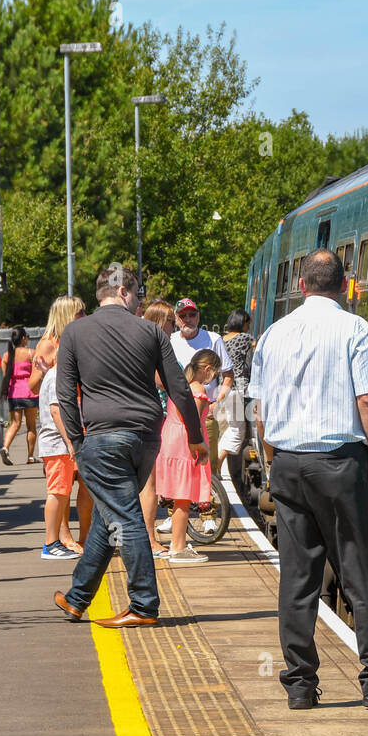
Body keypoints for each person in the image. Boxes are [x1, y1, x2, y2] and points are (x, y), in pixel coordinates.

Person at [248, 248, 368, 710]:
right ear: (344, 285)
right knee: (362, 574)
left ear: (303, 285)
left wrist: (273, 464)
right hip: (339, 464)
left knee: (297, 577)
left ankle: (300, 686)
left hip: (288, 463)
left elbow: (261, 411)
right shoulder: (354, 329)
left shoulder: (273, 334)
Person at [53, 265, 206, 628]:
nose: (139, 302)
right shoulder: (152, 332)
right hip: (145, 439)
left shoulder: (74, 332)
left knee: (125, 517)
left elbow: (64, 394)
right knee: (112, 518)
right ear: (122, 291)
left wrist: (76, 440)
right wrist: (195, 435)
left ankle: (143, 604)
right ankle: (77, 599)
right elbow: (179, 389)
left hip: (103, 438)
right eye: (137, 294)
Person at [30, 296, 88, 560]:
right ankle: (57, 539)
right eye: (79, 313)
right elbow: (36, 389)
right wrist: (46, 371)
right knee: (60, 489)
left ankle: (83, 538)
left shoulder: (77, 341)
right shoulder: (49, 345)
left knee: (78, 486)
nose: (84, 317)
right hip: (60, 431)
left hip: (78, 423)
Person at [154, 349, 220, 563]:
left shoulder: (181, 385)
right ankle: (178, 547)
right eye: (215, 373)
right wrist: (201, 448)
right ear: (208, 370)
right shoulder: (198, 389)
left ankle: (176, 543)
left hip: (170, 439)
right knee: (182, 497)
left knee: (177, 495)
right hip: (185, 443)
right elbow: (193, 420)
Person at [140, 300, 176, 556]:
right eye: (172, 322)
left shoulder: (139, 340)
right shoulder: (154, 344)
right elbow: (161, 381)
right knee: (149, 484)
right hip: (154, 417)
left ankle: (146, 537)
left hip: (142, 417)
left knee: (145, 482)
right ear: (161, 322)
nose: (174, 327)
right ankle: (149, 539)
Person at [216, 309, 254, 478]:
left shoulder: (222, 339)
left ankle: (217, 463)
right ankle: (217, 463)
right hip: (238, 389)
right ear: (241, 322)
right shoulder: (244, 338)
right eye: (247, 323)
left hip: (223, 388)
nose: (248, 327)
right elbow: (259, 346)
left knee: (231, 427)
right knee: (238, 431)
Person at [0, 325, 39, 465]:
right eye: (26, 337)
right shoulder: (31, 353)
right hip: (30, 392)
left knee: (15, 424)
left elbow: (6, 376)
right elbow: (36, 375)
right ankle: (30, 456)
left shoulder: (6, 355)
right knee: (31, 426)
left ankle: (5, 447)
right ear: (23, 338)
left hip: (14, 392)